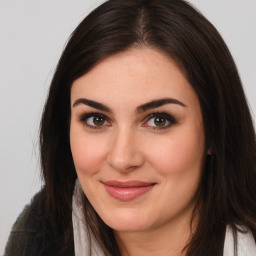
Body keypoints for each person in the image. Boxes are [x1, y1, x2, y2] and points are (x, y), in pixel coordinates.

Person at [4, 0, 256, 255]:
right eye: (97, 119)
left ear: (215, 131)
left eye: (159, 120)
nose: (122, 159)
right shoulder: (37, 239)